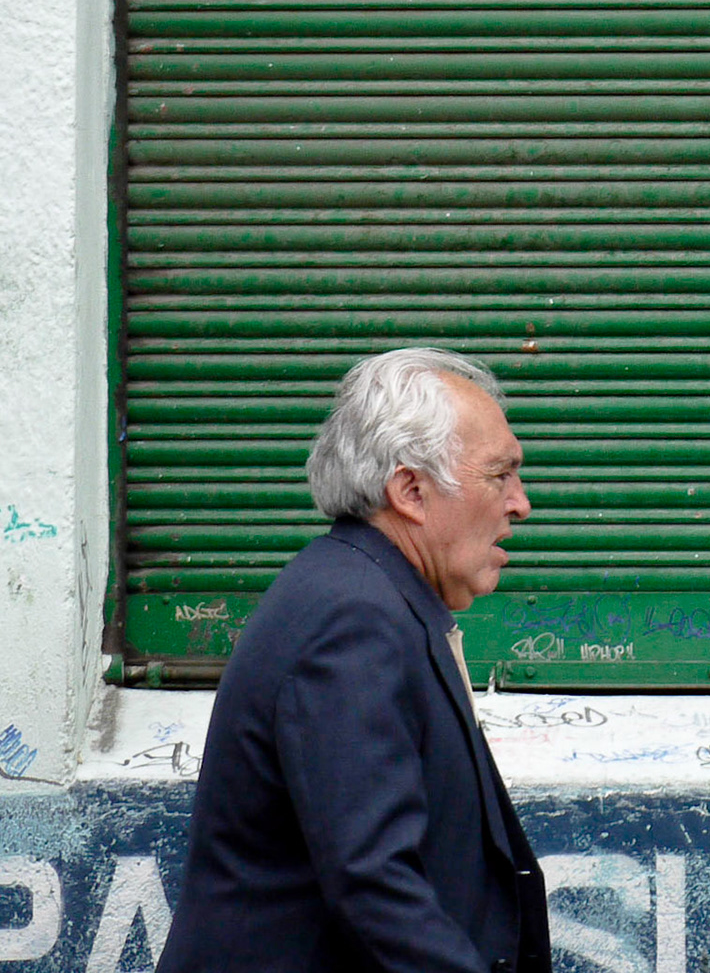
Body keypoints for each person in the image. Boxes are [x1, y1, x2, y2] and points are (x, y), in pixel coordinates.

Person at [157, 347, 550, 973]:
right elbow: (375, 884)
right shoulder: (355, 620)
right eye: (500, 475)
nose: (520, 503)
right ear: (411, 491)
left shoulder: (364, 593)